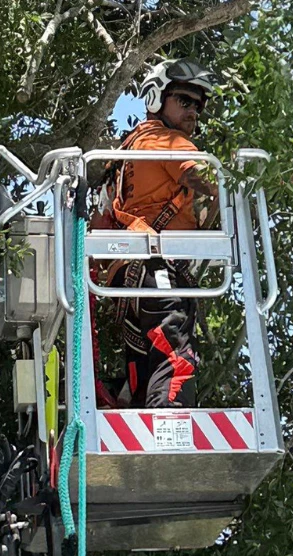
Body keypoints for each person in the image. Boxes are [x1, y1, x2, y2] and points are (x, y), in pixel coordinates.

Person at [97, 58, 221, 409]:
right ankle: (171, 432)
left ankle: (144, 434)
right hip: (157, 270)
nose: (193, 112)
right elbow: (209, 181)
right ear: (156, 99)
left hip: (131, 282)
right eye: (184, 101)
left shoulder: (123, 155)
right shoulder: (166, 141)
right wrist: (276, 178)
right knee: (174, 355)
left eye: (198, 106)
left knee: (146, 364)